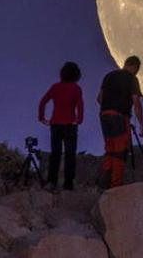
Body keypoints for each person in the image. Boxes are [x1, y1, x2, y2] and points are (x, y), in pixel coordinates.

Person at [97, 55, 143, 189]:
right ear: (135, 67)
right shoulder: (131, 79)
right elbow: (136, 102)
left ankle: (104, 183)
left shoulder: (109, 76)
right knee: (120, 151)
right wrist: (141, 124)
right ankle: (115, 186)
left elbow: (99, 98)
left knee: (110, 149)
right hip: (119, 117)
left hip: (104, 115)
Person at [37, 61, 84, 190]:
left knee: (55, 153)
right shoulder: (76, 89)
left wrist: (42, 117)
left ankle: (51, 181)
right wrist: (79, 120)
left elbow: (43, 101)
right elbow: (80, 106)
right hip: (70, 124)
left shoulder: (55, 87)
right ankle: (68, 184)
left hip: (55, 124)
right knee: (70, 154)